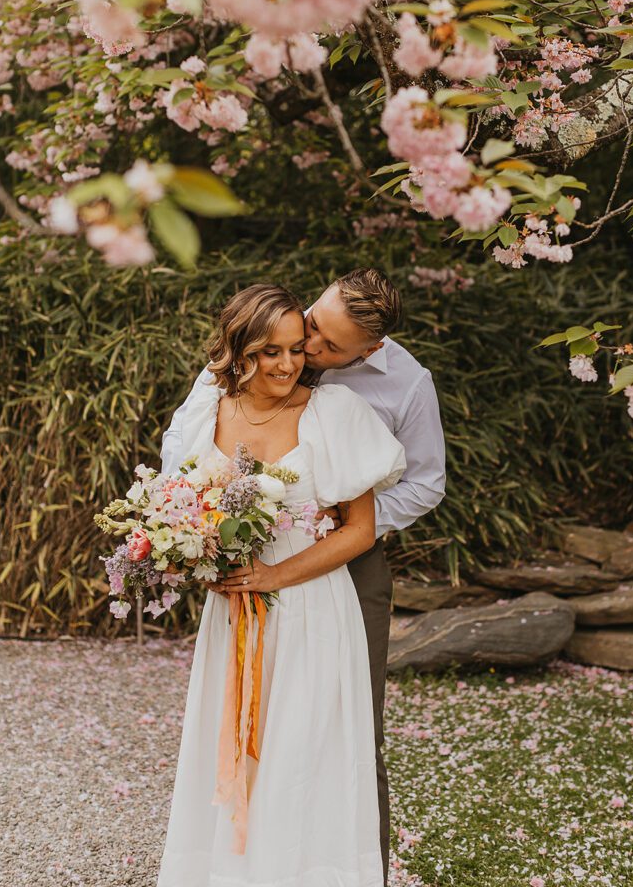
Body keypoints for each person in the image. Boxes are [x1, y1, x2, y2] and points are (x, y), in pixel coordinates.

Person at [160, 268, 446, 884]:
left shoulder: (399, 386)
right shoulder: (221, 387)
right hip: (241, 581)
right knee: (233, 725)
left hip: (339, 568)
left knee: (343, 726)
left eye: (320, 346)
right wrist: (201, 537)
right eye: (305, 331)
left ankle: (342, 864)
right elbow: (178, 465)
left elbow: (421, 485)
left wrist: (311, 522)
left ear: (367, 352)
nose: (305, 354)